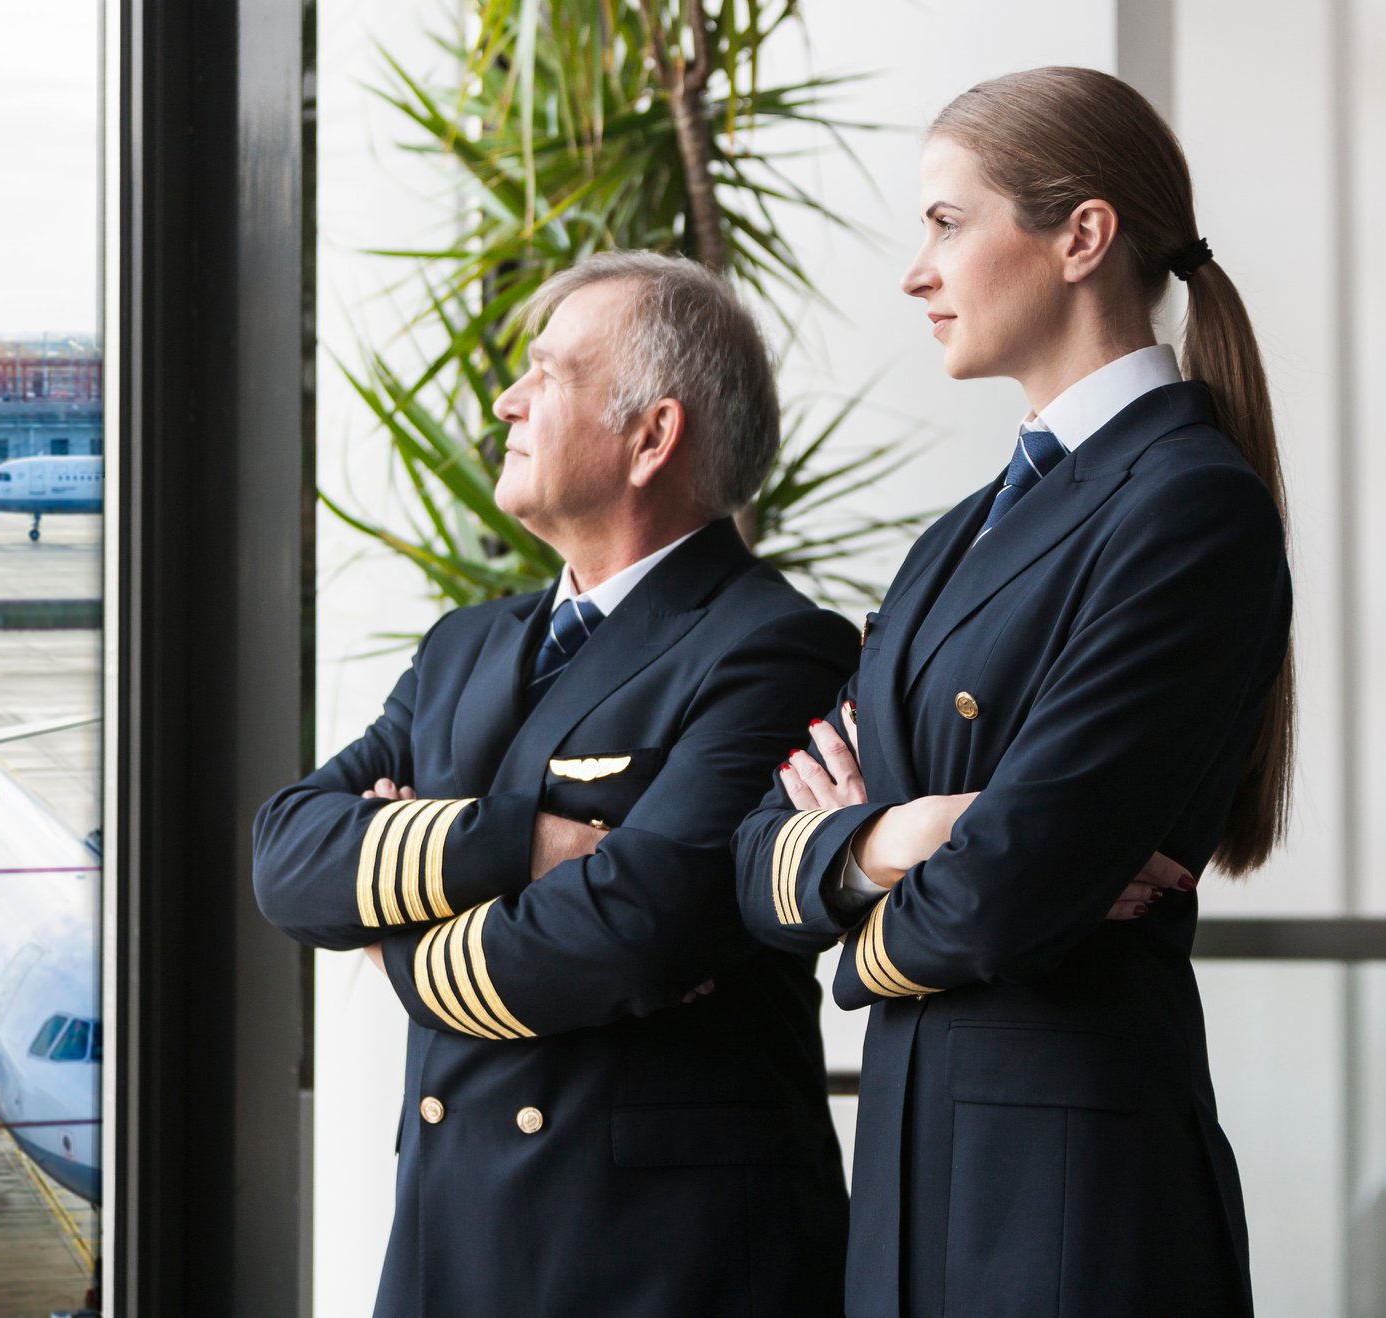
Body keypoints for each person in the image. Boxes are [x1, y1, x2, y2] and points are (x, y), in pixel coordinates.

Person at [733, 67, 1292, 1318]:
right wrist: (912, 833)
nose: (914, 271)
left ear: (1081, 236)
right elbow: (760, 858)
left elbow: (1009, 887)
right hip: (915, 1182)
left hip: (1072, 1203)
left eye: (945, 221)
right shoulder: (955, 540)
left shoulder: (1189, 505)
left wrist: (862, 891)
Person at [254, 252, 857, 1316]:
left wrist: (396, 932)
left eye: (548, 373)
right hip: (452, 1244)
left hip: (655, 1262)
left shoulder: (773, 649)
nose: (507, 398)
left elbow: (632, 927)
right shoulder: (464, 647)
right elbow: (287, 855)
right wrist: (517, 845)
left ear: (650, 436)